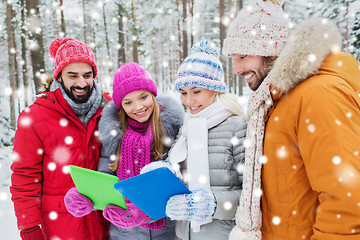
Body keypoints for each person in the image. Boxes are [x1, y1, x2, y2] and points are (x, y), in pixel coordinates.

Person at [223, 0, 360, 239]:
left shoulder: (318, 95)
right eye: (233, 58)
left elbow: (348, 202)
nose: (236, 68)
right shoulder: (276, 104)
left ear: (272, 50)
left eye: (243, 56)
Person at [64, 62, 185, 240]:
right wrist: (84, 196)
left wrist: (146, 209)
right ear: (121, 106)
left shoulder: (172, 130)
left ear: (153, 95)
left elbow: (181, 182)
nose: (138, 107)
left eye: (143, 97)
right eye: (128, 102)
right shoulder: (114, 135)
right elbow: (105, 181)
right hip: (124, 233)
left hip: (164, 232)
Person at [142, 40, 247, 240]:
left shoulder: (239, 127)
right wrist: (163, 173)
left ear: (216, 89)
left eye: (196, 92)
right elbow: (182, 178)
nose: (188, 101)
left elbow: (253, 197)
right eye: (183, 93)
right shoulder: (188, 128)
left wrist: (212, 204)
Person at [10, 38, 110, 239]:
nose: (81, 83)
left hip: (106, 221)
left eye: (87, 75)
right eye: (72, 76)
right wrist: (29, 226)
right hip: (62, 225)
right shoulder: (35, 117)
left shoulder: (108, 110)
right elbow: (25, 175)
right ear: (59, 76)